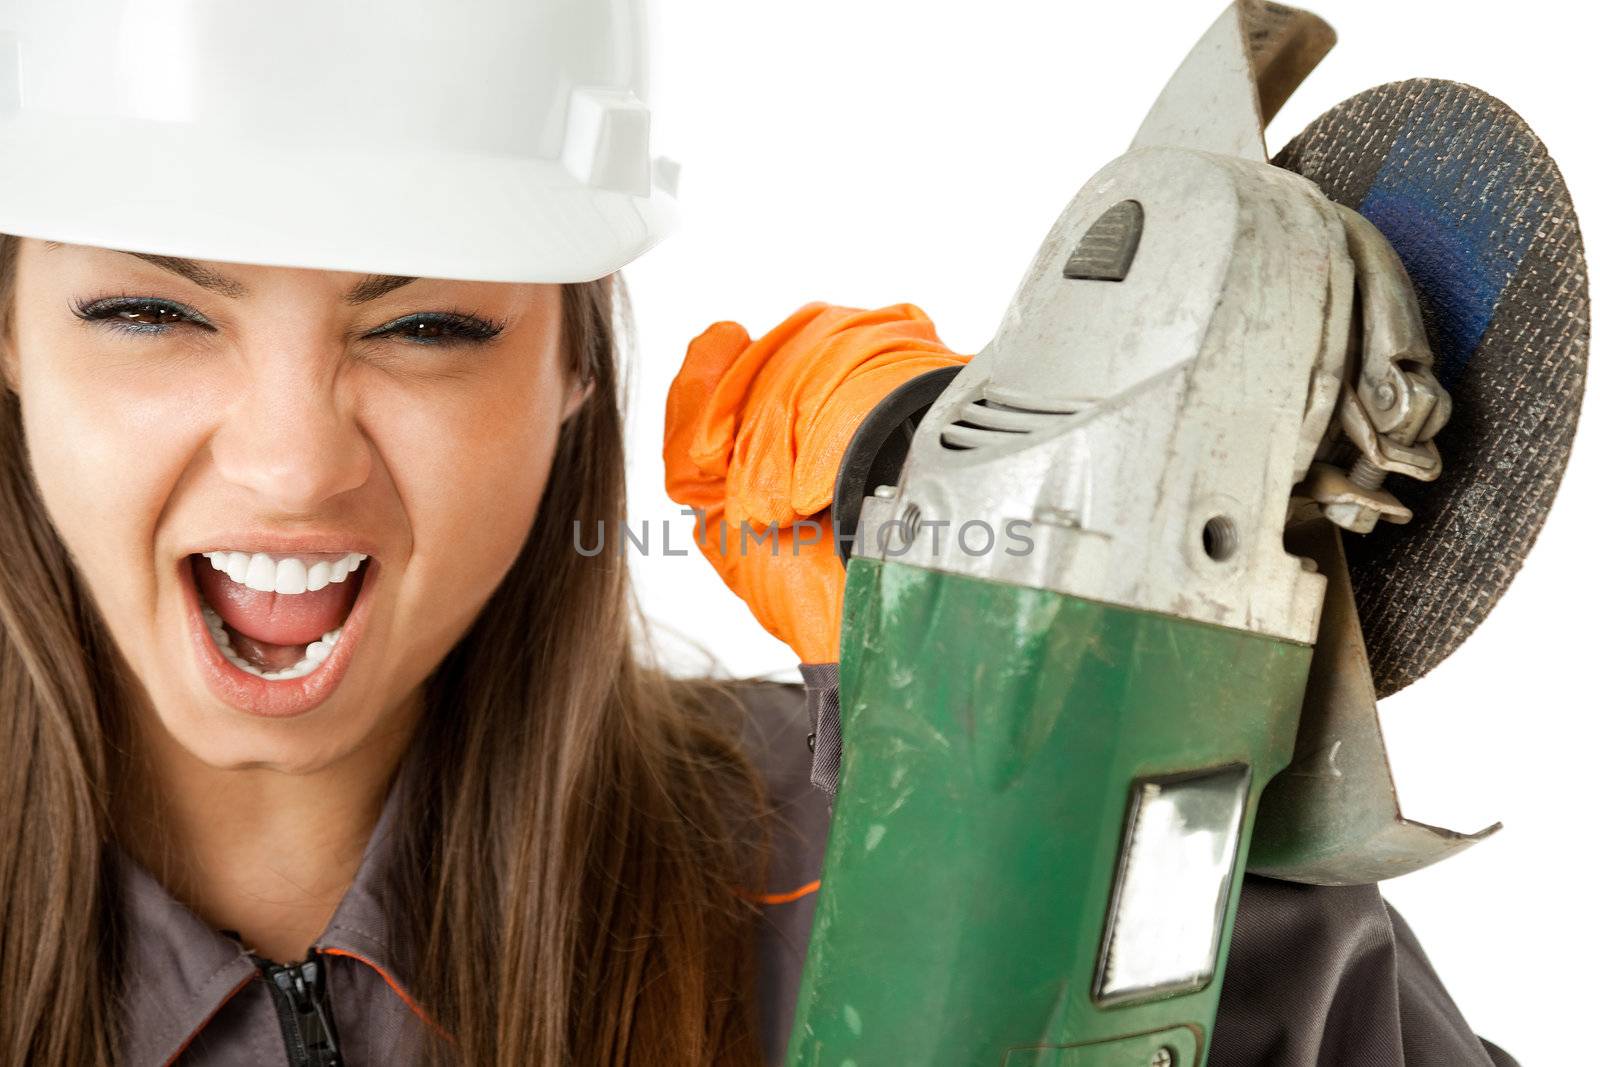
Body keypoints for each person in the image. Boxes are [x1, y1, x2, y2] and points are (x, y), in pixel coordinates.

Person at [0, 2, 1515, 1065]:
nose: (287, 463)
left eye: (428, 324)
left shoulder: (897, 846)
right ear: (8, 328)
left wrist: (1057, 755)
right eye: (148, 312)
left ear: (576, 365)